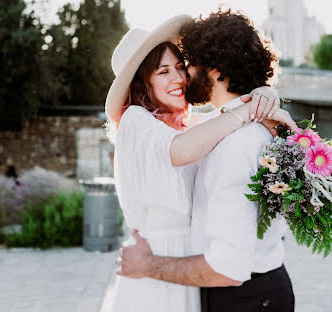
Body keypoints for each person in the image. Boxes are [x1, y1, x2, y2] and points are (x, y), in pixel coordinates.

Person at [104, 13, 297, 312]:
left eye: (181, 66)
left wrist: (261, 95)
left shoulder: (196, 127)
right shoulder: (135, 121)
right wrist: (249, 109)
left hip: (192, 270)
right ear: (143, 81)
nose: (180, 78)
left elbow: (214, 123)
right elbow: (182, 149)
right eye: (163, 71)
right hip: (163, 265)